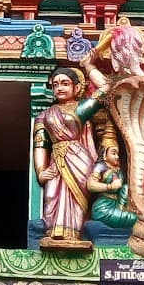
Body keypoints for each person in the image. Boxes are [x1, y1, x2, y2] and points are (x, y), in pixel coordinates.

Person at [33, 67, 110, 247]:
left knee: (77, 199)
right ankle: (54, 233)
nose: (59, 88)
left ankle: (73, 235)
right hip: (56, 160)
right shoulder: (44, 116)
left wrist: (89, 65)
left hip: (79, 158)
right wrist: (40, 171)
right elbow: (40, 145)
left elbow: (106, 87)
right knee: (51, 196)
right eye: (55, 84)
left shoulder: (80, 109)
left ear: (76, 88)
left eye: (65, 83)